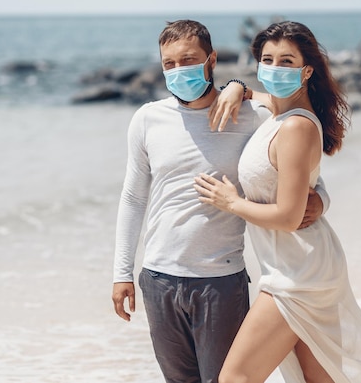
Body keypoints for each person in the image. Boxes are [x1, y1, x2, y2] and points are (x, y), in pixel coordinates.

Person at [111, 19, 331, 383]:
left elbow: (306, 167)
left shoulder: (255, 117)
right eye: (170, 64)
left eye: (189, 59)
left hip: (220, 281)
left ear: (211, 60)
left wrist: (321, 199)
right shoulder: (148, 119)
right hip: (158, 280)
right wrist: (122, 274)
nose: (179, 70)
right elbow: (133, 197)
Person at [194, 21, 361, 383]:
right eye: (267, 59)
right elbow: (255, 97)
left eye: (286, 61)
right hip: (298, 266)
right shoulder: (280, 113)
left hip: (298, 275)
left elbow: (289, 217)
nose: (275, 69)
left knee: (236, 377)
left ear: (306, 70)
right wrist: (235, 87)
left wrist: (231, 202)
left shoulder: (296, 127)